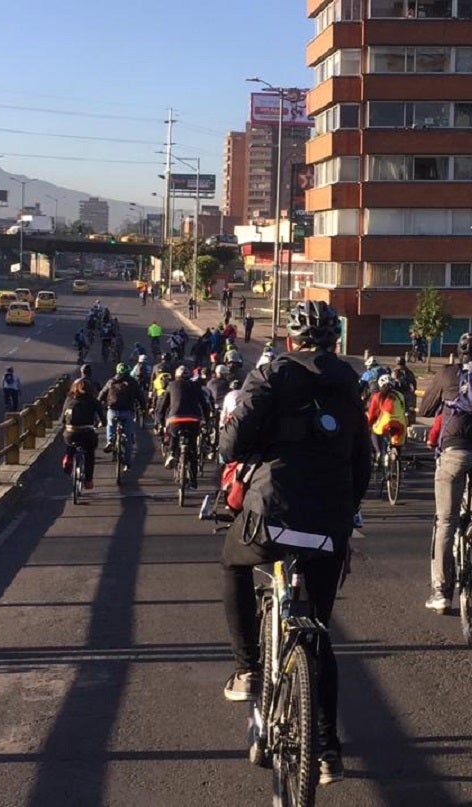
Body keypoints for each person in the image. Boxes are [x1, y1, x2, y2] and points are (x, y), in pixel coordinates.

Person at [218, 300, 370, 785]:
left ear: (290, 340)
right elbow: (361, 463)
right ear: (335, 344)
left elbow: (231, 445)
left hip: (273, 514)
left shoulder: (270, 374)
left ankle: (247, 671)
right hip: (330, 523)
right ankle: (326, 751)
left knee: (233, 565)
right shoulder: (350, 385)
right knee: (318, 633)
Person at [419, 331, 472, 613]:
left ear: (460, 352)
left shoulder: (448, 374)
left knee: (446, 520)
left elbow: (426, 407)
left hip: (456, 450)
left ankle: (441, 592)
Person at [156, 365, 212, 469]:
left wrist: (160, 421)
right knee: (193, 447)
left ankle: (172, 454)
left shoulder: (171, 385)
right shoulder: (196, 386)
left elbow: (163, 406)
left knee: (174, 434)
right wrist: (206, 420)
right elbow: (204, 405)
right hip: (193, 420)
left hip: (175, 419)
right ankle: (193, 481)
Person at [60, 378, 106, 490]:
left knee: (70, 442)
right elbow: (103, 419)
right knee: (90, 454)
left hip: (70, 432)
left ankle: (68, 457)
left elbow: (62, 419)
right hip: (87, 432)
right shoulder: (93, 400)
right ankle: (88, 481)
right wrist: (101, 424)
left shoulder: (69, 399)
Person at [100, 362, 146, 470]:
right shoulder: (132, 382)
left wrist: (99, 405)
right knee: (128, 437)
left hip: (113, 410)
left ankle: (110, 440)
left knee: (110, 424)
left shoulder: (111, 381)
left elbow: (102, 394)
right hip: (127, 412)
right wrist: (144, 408)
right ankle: (128, 462)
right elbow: (140, 397)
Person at [366, 374, 410, 461]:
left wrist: (369, 425)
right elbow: (403, 410)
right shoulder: (400, 395)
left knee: (374, 431)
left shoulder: (377, 396)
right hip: (400, 423)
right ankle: (397, 455)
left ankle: (378, 452)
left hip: (385, 422)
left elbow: (372, 414)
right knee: (397, 441)